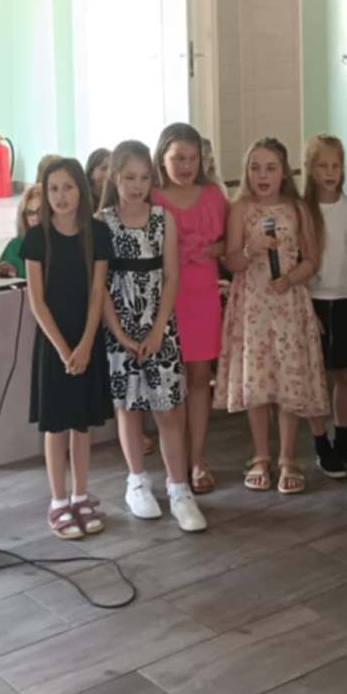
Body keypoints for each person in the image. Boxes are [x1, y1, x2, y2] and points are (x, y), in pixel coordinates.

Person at [97, 141, 206, 532]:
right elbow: (101, 284)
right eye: (129, 177)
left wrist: (159, 328)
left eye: (144, 178)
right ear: (115, 177)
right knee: (128, 407)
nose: (137, 185)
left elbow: (171, 276)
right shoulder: (102, 222)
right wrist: (119, 332)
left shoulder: (164, 220)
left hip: (160, 329)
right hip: (120, 331)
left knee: (168, 408)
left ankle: (179, 488)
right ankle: (137, 481)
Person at [218, 137, 328, 495]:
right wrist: (250, 249)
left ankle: (288, 458)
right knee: (259, 380)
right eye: (255, 168)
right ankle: (261, 455)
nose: (262, 175)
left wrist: (291, 278)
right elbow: (231, 261)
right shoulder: (240, 209)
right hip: (253, 307)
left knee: (287, 379)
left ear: (284, 173)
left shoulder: (297, 209)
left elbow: (311, 260)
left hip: (288, 305)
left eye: (270, 168)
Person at [24, 156, 114, 538]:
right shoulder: (36, 238)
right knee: (57, 423)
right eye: (53, 189)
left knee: (81, 422)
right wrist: (64, 350)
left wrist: (87, 342)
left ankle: (80, 494)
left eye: (68, 187)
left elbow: (97, 292)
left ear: (82, 190)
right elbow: (37, 301)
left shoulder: (98, 233)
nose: (61, 196)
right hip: (53, 344)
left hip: (87, 339)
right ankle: (58, 500)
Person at [152, 122, 229, 495]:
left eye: (192, 158)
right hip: (165, 298)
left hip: (202, 294)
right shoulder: (152, 197)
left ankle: (197, 459)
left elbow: (230, 243)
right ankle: (175, 460)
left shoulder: (213, 196)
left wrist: (210, 249)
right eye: (177, 158)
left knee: (199, 378)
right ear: (162, 158)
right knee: (172, 382)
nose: (185, 166)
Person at [303, 134, 347, 479]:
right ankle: (321, 444)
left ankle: (343, 441)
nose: (330, 172)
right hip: (314, 302)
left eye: (336, 166)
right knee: (315, 377)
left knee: (345, 374)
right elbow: (297, 262)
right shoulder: (302, 210)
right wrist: (306, 311)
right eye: (322, 166)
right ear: (310, 169)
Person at [0, 184, 43, 278]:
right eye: (30, 213)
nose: (35, 217)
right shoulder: (15, 246)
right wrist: (9, 272)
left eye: (41, 211)